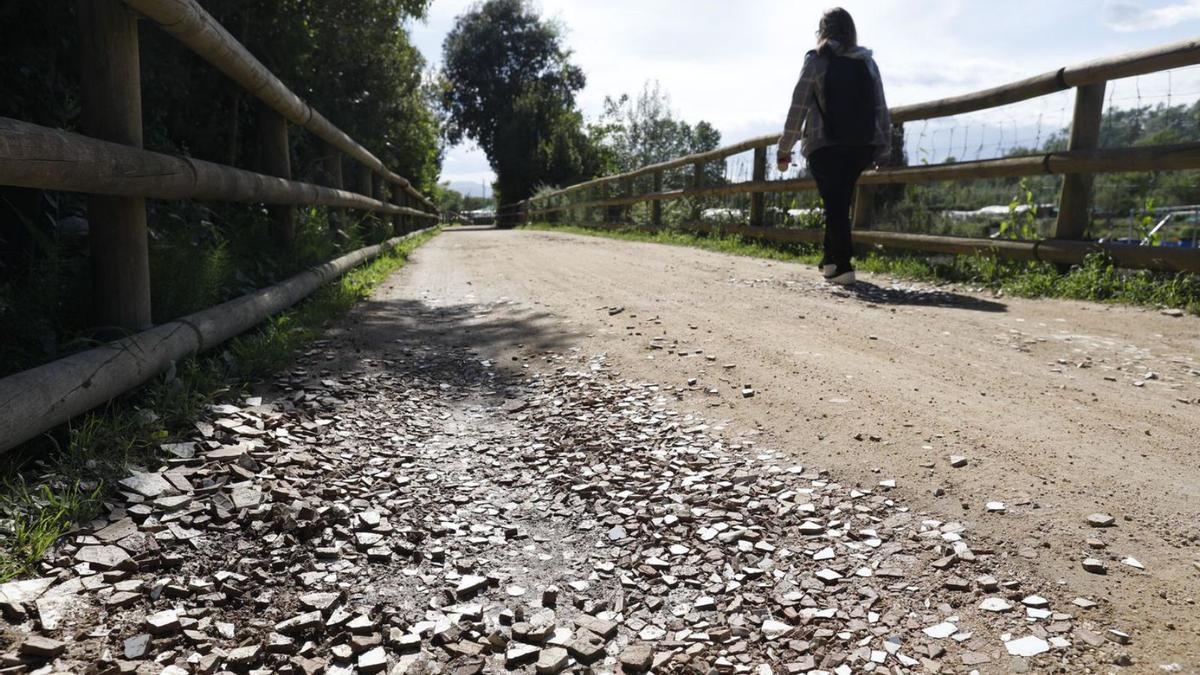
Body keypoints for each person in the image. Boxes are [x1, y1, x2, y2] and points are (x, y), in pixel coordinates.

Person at [777, 7, 891, 285]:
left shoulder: (817, 59)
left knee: (835, 201)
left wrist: (784, 148)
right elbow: (880, 106)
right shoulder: (867, 62)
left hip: (823, 143)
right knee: (838, 199)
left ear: (822, 31)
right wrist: (883, 148)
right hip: (861, 144)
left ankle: (842, 265)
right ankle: (830, 260)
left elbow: (799, 105)